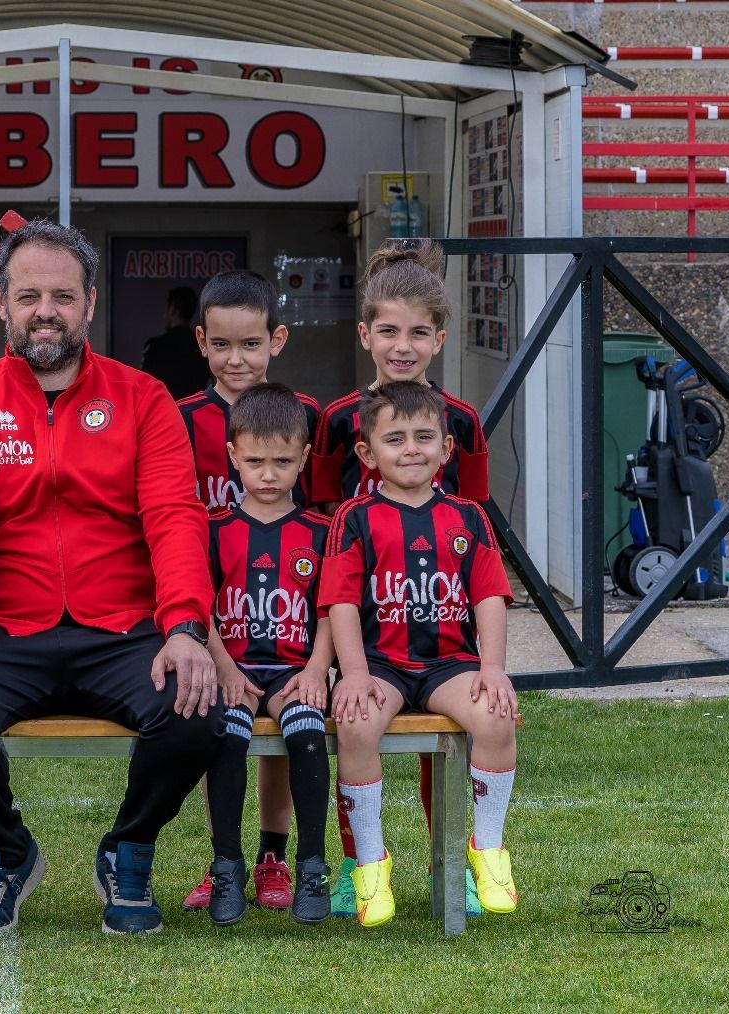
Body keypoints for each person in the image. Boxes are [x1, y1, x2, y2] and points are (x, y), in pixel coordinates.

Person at [0, 219, 220, 936]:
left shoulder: (146, 400)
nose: (44, 310)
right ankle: (7, 848)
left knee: (199, 706)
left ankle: (129, 849)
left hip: (122, 630)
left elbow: (175, 518)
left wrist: (182, 629)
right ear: (1, 304)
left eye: (61, 295)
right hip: (8, 628)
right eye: (28, 296)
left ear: (89, 302)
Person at [309, 238, 490, 919]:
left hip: (440, 619)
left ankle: (459, 863)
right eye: (388, 330)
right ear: (366, 335)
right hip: (360, 619)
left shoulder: (461, 422)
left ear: (439, 339)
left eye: (417, 332)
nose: (402, 345)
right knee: (355, 723)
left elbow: (472, 520)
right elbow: (320, 518)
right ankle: (358, 864)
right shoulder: (335, 421)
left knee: (442, 740)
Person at [318, 381, 518, 927]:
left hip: (449, 664)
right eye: (396, 438)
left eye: (425, 437)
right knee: (357, 724)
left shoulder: (468, 518)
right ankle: (370, 864)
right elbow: (337, 602)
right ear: (367, 453)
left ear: (447, 448)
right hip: (379, 664)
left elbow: (489, 597)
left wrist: (493, 669)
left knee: (497, 716)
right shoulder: (353, 518)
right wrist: (353, 673)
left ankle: (488, 849)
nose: (412, 449)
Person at [174, 270, 322, 916]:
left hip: (290, 613)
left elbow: (328, 527)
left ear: (277, 340)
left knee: (287, 729)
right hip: (215, 617)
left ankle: (273, 856)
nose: (238, 360)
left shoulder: (308, 418)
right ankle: (223, 860)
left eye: (252, 345)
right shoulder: (177, 421)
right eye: (224, 345)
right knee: (223, 727)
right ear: (202, 342)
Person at [192, 383, 335, 927]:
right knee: (226, 735)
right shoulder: (214, 530)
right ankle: (226, 865)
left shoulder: (322, 532)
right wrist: (224, 667)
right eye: (255, 461)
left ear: (303, 458)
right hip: (236, 671)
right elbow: (199, 610)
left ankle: (310, 867)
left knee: (306, 735)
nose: (268, 474)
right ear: (233, 456)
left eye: (282, 461)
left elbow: (329, 610)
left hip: (293, 673)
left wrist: (318, 669)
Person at [140, 285, 210, 400]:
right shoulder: (203, 346)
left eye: (166, 309)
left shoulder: (155, 346)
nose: (164, 315)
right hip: (195, 413)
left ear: (172, 309)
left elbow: (142, 385)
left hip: (162, 414)